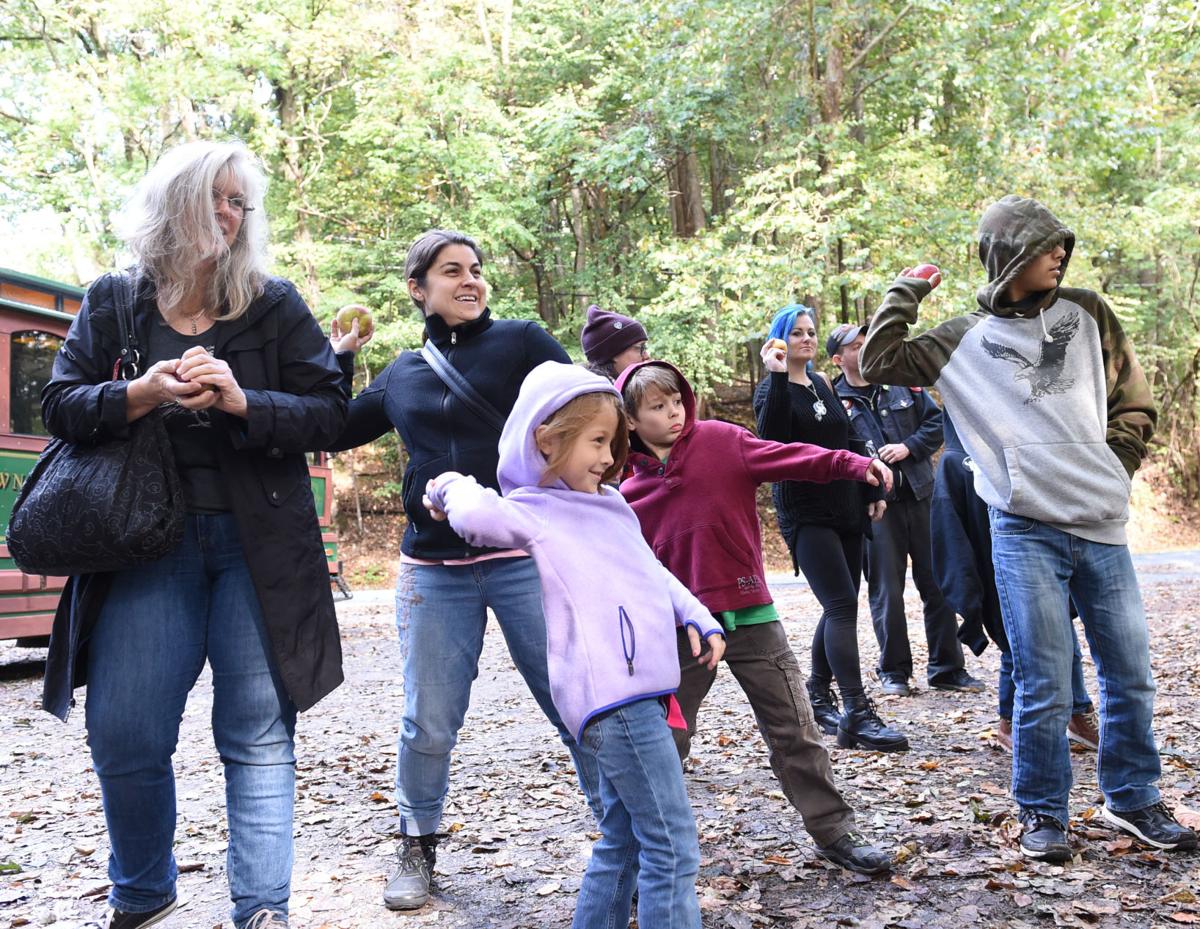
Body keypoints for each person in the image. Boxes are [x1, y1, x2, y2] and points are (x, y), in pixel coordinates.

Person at [40, 141, 347, 929]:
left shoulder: (274, 303)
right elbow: (60, 405)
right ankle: (144, 893)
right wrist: (138, 394)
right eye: (213, 195)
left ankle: (263, 909)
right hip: (145, 544)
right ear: (172, 201)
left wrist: (243, 401)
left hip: (259, 546)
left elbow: (330, 413)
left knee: (257, 734)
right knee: (125, 730)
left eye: (239, 200)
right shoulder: (114, 299)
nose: (227, 212)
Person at [860, 195, 1197, 860]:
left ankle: (1133, 798)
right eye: (1046, 245)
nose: (1059, 253)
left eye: (1061, 244)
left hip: (1101, 524)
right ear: (1010, 255)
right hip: (1022, 527)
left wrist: (1114, 469)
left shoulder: (1088, 311)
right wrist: (905, 291)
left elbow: (1134, 400)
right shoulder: (960, 339)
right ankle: (1042, 810)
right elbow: (878, 362)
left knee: (1129, 674)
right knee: (1043, 678)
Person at [327, 229, 599, 911]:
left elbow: (583, 411)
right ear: (417, 289)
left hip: (524, 559)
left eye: (475, 269)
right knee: (428, 720)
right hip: (433, 569)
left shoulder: (523, 342)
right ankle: (416, 845)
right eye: (452, 271)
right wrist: (340, 358)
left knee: (575, 699)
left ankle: (623, 833)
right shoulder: (403, 371)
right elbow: (332, 428)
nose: (471, 280)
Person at [423, 361, 726, 928]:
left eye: (612, 443)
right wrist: (448, 484)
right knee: (672, 842)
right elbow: (476, 515)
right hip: (614, 700)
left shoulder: (610, 504)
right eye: (596, 442)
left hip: (643, 694)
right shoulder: (534, 512)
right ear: (546, 440)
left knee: (624, 838)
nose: (608, 457)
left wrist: (696, 614)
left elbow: (650, 571)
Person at [614, 359, 893, 874]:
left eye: (676, 401)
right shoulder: (625, 493)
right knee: (665, 741)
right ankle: (643, 855)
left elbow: (791, 457)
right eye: (657, 407)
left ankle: (835, 831)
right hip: (681, 631)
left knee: (796, 729)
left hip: (752, 615)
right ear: (630, 419)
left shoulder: (721, 441)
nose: (674, 413)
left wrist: (853, 464)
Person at [753, 304, 908, 752]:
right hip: (807, 511)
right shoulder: (771, 389)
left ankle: (819, 695)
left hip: (846, 507)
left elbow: (847, 439)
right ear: (779, 340)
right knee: (840, 606)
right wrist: (776, 376)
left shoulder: (822, 383)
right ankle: (855, 712)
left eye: (810, 331)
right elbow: (771, 443)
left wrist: (872, 485)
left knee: (840, 603)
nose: (806, 339)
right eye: (796, 333)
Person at [827, 323, 984, 696]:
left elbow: (936, 422)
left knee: (938, 581)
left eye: (867, 343)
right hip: (876, 506)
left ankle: (947, 668)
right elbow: (835, 451)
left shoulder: (899, 383)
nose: (865, 349)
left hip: (922, 495)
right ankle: (894, 671)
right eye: (856, 346)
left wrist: (909, 446)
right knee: (887, 590)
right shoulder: (833, 400)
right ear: (838, 359)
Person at [931, 415, 1099, 752]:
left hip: (1040, 554)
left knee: (1060, 633)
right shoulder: (955, 462)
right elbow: (949, 538)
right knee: (1018, 642)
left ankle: (1076, 713)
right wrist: (968, 599)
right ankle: (1011, 722)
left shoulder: (1017, 439)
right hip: (994, 570)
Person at [581, 304, 649, 380]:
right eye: (640, 348)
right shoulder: (597, 387)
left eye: (645, 348)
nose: (646, 356)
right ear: (613, 354)